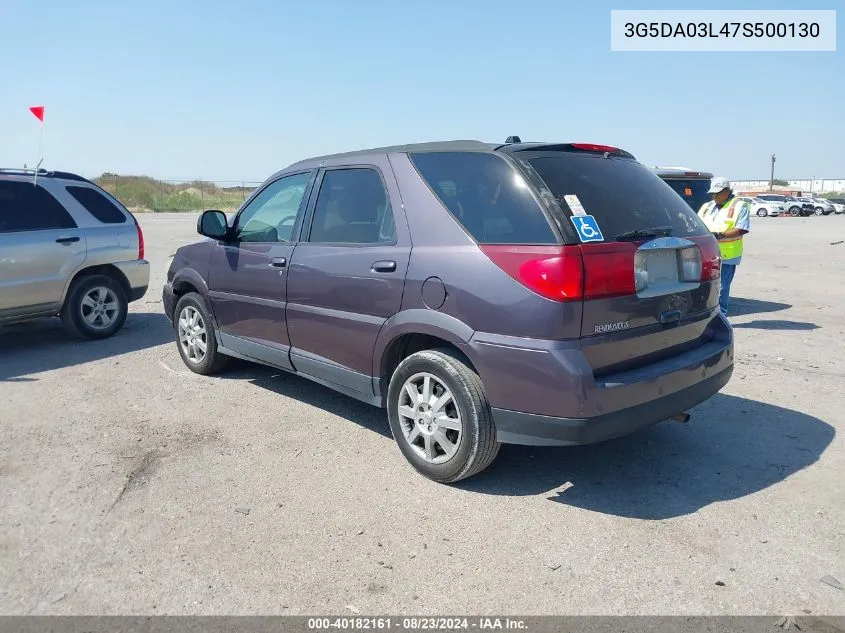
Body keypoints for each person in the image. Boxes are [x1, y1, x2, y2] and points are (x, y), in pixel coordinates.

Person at [697, 176, 751, 317]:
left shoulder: (739, 206)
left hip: (728, 254)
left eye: (718, 192)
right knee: (704, 285)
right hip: (706, 253)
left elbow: (742, 229)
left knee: (722, 287)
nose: (715, 196)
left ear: (727, 190)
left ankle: (721, 315)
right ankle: (705, 314)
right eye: (713, 193)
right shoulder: (707, 206)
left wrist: (720, 235)